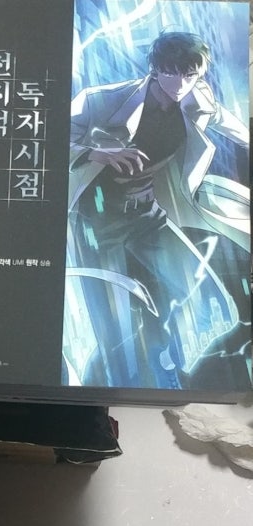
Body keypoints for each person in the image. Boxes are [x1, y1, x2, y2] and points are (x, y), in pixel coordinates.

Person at [67, 30, 249, 389]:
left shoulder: (198, 101)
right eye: (171, 72)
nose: (180, 83)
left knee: (206, 298)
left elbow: (233, 127)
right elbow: (50, 137)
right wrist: (97, 153)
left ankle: (167, 356)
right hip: (95, 223)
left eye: (190, 74)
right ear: (154, 68)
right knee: (114, 332)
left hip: (146, 214)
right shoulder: (104, 100)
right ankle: (128, 378)